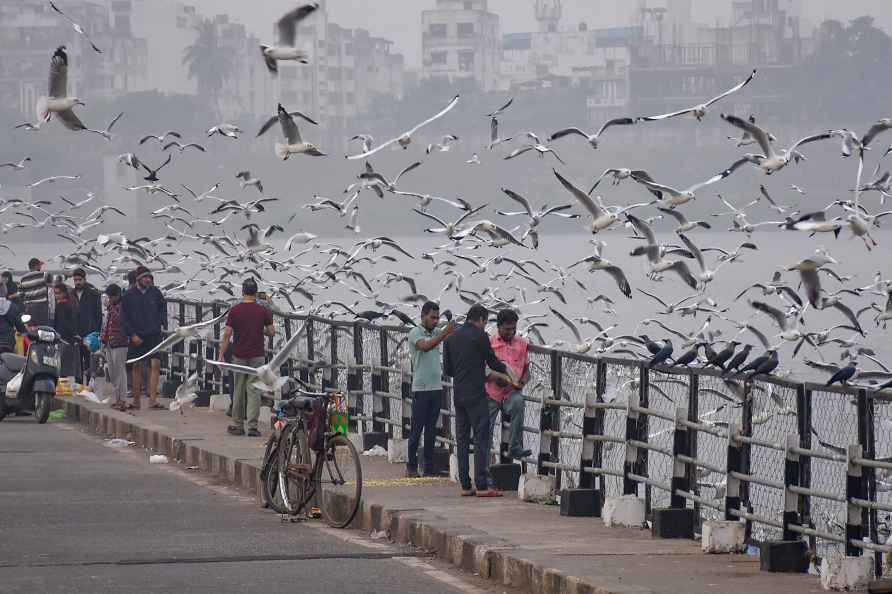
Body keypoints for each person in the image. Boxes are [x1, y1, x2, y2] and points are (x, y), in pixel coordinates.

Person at [443, 304, 513, 497]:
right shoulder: (480, 335)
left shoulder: (450, 338)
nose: (484, 326)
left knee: (463, 439)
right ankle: (481, 485)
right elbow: (491, 361)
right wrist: (507, 370)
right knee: (481, 439)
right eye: (484, 322)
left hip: (459, 394)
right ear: (481, 319)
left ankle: (466, 485)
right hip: (476, 394)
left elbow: (448, 370)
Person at [405, 301, 456, 478]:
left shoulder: (436, 332)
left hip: (436, 388)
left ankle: (429, 466)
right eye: (432, 317)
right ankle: (411, 466)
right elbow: (425, 347)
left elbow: (444, 335)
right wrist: (444, 332)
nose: (435, 321)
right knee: (417, 429)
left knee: (431, 430)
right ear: (423, 316)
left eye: (437, 318)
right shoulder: (415, 333)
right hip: (421, 388)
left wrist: (449, 328)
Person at [220, 278, 274, 437]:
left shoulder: (235, 310)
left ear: (242, 292)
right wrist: (259, 330)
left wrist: (221, 354)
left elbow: (227, 334)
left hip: (239, 355)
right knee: (254, 391)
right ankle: (252, 427)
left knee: (238, 390)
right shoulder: (263, 310)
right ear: (256, 293)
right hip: (257, 356)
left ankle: (237, 425)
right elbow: (271, 332)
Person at [486, 309, 533, 463]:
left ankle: (515, 447)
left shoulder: (522, 344)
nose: (511, 332)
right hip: (492, 392)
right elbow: (482, 369)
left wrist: (522, 382)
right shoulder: (489, 343)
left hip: (511, 392)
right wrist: (496, 378)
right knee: (485, 427)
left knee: (519, 403)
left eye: (514, 328)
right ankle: (485, 461)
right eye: (507, 329)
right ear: (498, 327)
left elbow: (526, 371)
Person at [122, 266, 166, 410]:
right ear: (138, 279)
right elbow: (124, 318)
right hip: (136, 336)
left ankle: (152, 400)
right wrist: (132, 335)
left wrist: (160, 323)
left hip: (153, 335)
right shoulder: (128, 295)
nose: (148, 280)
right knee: (135, 366)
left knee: (155, 364)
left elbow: (162, 310)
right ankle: (136, 401)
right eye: (145, 277)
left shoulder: (156, 293)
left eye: (149, 277)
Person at [100, 284, 129, 411]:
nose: (109, 299)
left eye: (111, 297)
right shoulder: (111, 307)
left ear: (117, 295)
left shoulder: (123, 306)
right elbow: (107, 325)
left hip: (121, 343)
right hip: (110, 343)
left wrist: (110, 308)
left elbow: (120, 320)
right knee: (112, 373)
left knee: (120, 373)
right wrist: (103, 340)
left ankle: (122, 400)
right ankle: (117, 399)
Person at [72, 268, 102, 383]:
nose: (77, 282)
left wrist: (97, 333)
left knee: (90, 360)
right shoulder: (71, 294)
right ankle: (79, 384)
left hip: (90, 333)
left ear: (85, 279)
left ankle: (90, 384)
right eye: (75, 280)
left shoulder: (94, 294)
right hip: (75, 333)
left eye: (79, 280)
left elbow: (98, 315)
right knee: (77, 361)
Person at [53, 282, 80, 379]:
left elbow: (63, 323)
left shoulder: (61, 305)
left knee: (61, 364)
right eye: (55, 293)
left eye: (58, 293)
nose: (56, 296)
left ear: (64, 293)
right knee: (69, 365)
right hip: (70, 338)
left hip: (62, 338)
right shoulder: (71, 303)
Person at [19, 258, 52, 327]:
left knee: (31, 328)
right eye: (40, 265)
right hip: (41, 306)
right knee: (43, 328)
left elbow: (21, 295)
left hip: (29, 307)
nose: (41, 267)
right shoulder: (44, 274)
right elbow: (52, 283)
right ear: (36, 266)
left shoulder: (23, 279)